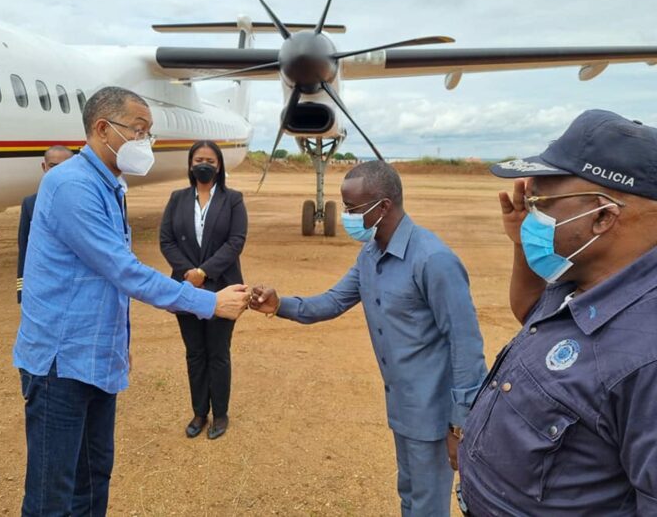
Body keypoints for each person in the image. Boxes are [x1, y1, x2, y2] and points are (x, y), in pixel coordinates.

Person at [12, 86, 251, 517]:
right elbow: (122, 269)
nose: (146, 143)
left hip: (95, 361)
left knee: (93, 476)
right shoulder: (72, 186)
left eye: (148, 134)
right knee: (53, 494)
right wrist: (207, 302)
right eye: (139, 131)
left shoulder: (109, 186)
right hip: (60, 365)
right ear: (102, 129)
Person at [250, 160, 487, 517]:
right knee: (409, 494)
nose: (345, 216)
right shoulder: (370, 253)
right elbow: (332, 302)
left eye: (352, 208)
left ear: (384, 207)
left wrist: (461, 424)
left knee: (427, 506)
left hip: (436, 415)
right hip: (403, 407)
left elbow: (466, 344)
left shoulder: (433, 260)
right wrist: (279, 304)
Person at [458, 109, 657, 515]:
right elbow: (530, 310)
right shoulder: (581, 277)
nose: (531, 214)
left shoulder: (647, 355)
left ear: (603, 215)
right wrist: (521, 243)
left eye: (542, 204)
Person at [160, 140, 248, 440]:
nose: (204, 164)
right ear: (190, 164)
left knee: (219, 353)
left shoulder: (232, 199)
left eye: (210, 160)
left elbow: (236, 241)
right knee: (195, 353)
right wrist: (188, 272)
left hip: (222, 286)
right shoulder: (177, 198)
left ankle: (220, 413)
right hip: (185, 288)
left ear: (219, 165)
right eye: (199, 159)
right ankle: (199, 412)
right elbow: (166, 240)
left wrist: (204, 272)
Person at [17, 145, 73, 303]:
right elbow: (25, 249)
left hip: (78, 283)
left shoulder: (88, 201)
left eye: (65, 166)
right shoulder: (31, 203)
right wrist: (22, 290)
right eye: (53, 166)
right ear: (44, 167)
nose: (58, 171)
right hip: (46, 285)